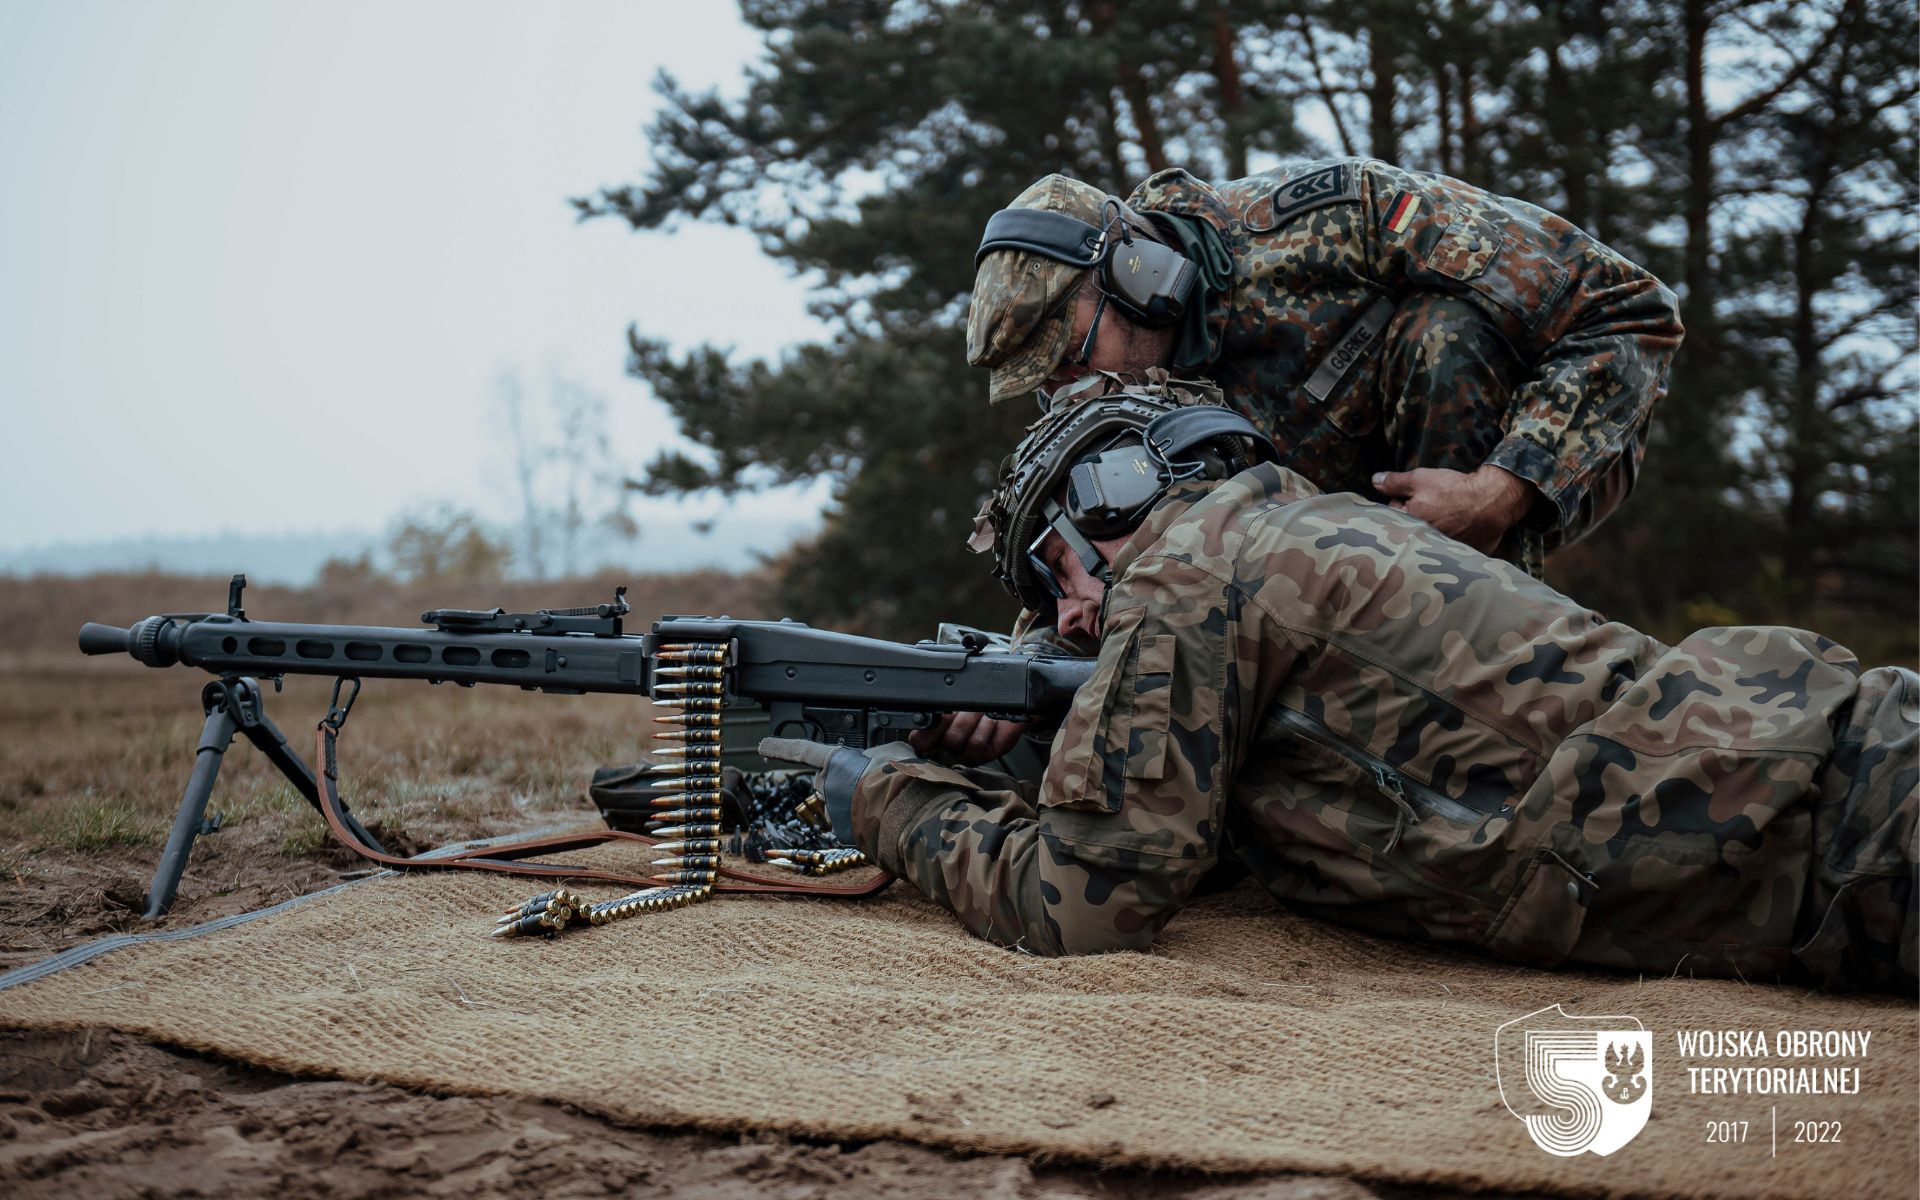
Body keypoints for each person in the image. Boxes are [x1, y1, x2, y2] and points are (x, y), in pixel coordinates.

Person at [761, 385, 1918, 992]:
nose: (1060, 618)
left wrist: (883, 800)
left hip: (1850, 825)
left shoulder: (1186, 569)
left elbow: (1086, 906)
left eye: (1053, 569)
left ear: (1114, 500)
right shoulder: (1286, 533)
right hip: (1834, 799)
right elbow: (1208, 828)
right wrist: (1013, 742)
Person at [965, 163, 1686, 578]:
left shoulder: (1338, 220)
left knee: (1445, 332)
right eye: (1048, 386)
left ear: (1138, 273)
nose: (1074, 391)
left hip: (1525, 468)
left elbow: (1628, 311)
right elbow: (1089, 565)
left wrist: (1500, 492)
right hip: (1323, 565)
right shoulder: (1114, 401)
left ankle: (1496, 641)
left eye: (1070, 356)